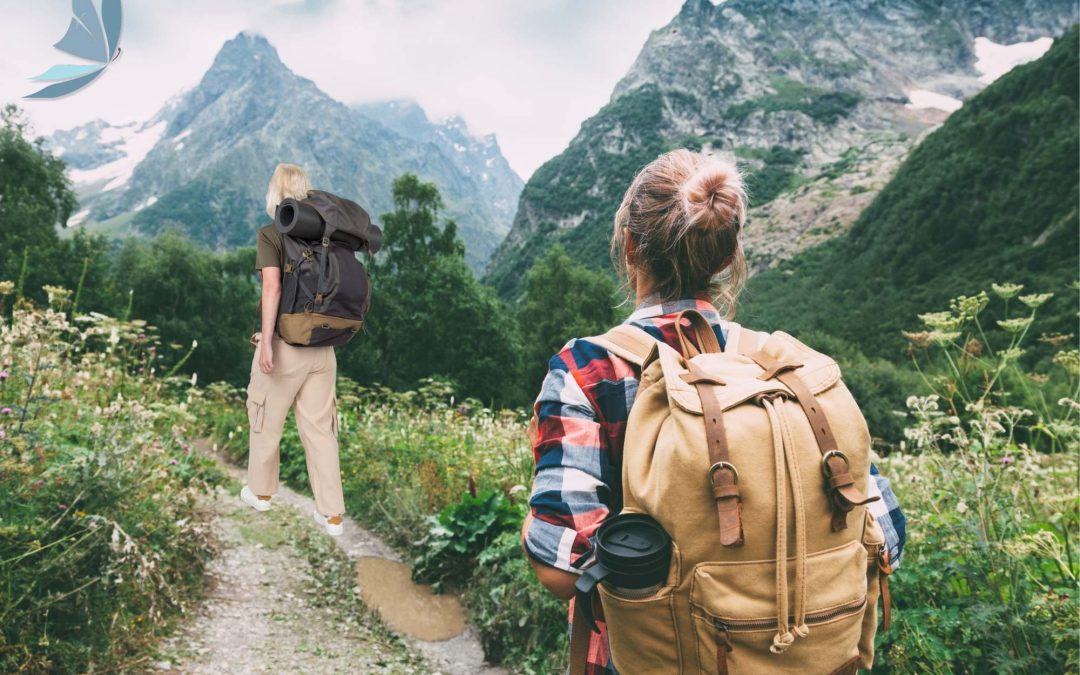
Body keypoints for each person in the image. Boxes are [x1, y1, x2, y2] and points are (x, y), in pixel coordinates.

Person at [522, 149, 906, 673]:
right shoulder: (782, 368)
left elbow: (562, 569)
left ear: (629, 245)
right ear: (727, 257)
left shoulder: (589, 370)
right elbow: (887, 536)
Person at [240, 163, 346, 536]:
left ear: (275, 193)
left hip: (287, 346)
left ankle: (261, 493)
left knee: (265, 418)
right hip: (323, 349)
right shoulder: (327, 237)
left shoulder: (272, 234)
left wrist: (267, 342)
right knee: (320, 431)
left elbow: (272, 288)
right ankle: (332, 515)